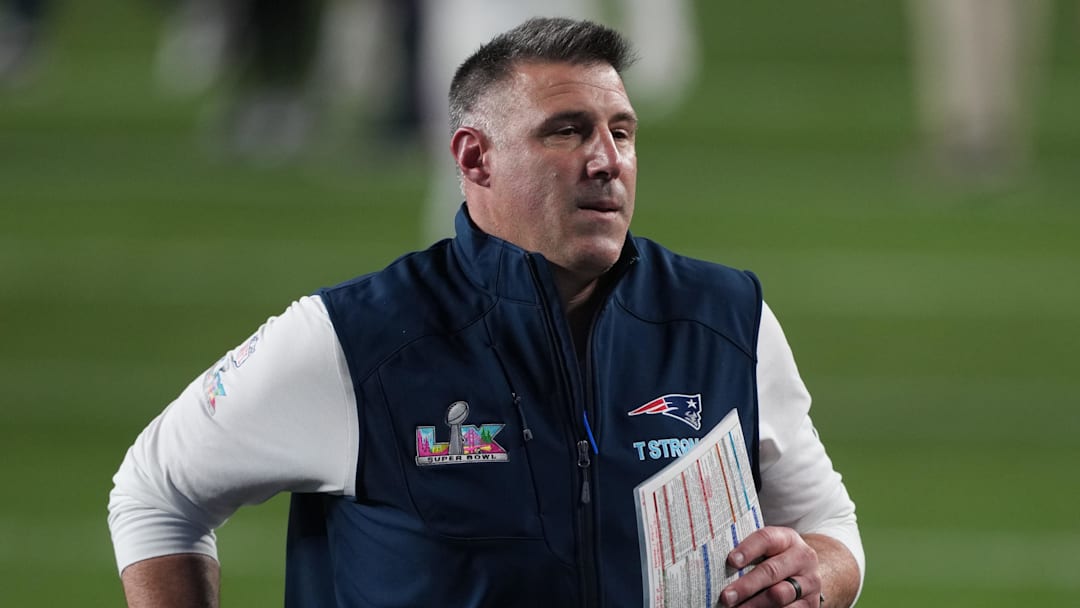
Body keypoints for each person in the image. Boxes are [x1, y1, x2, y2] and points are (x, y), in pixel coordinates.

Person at [108, 17, 864, 607]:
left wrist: (817, 577)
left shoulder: (726, 317)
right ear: (475, 159)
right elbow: (155, 490)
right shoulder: (355, 342)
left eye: (621, 132)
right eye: (567, 131)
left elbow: (828, 524)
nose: (607, 160)